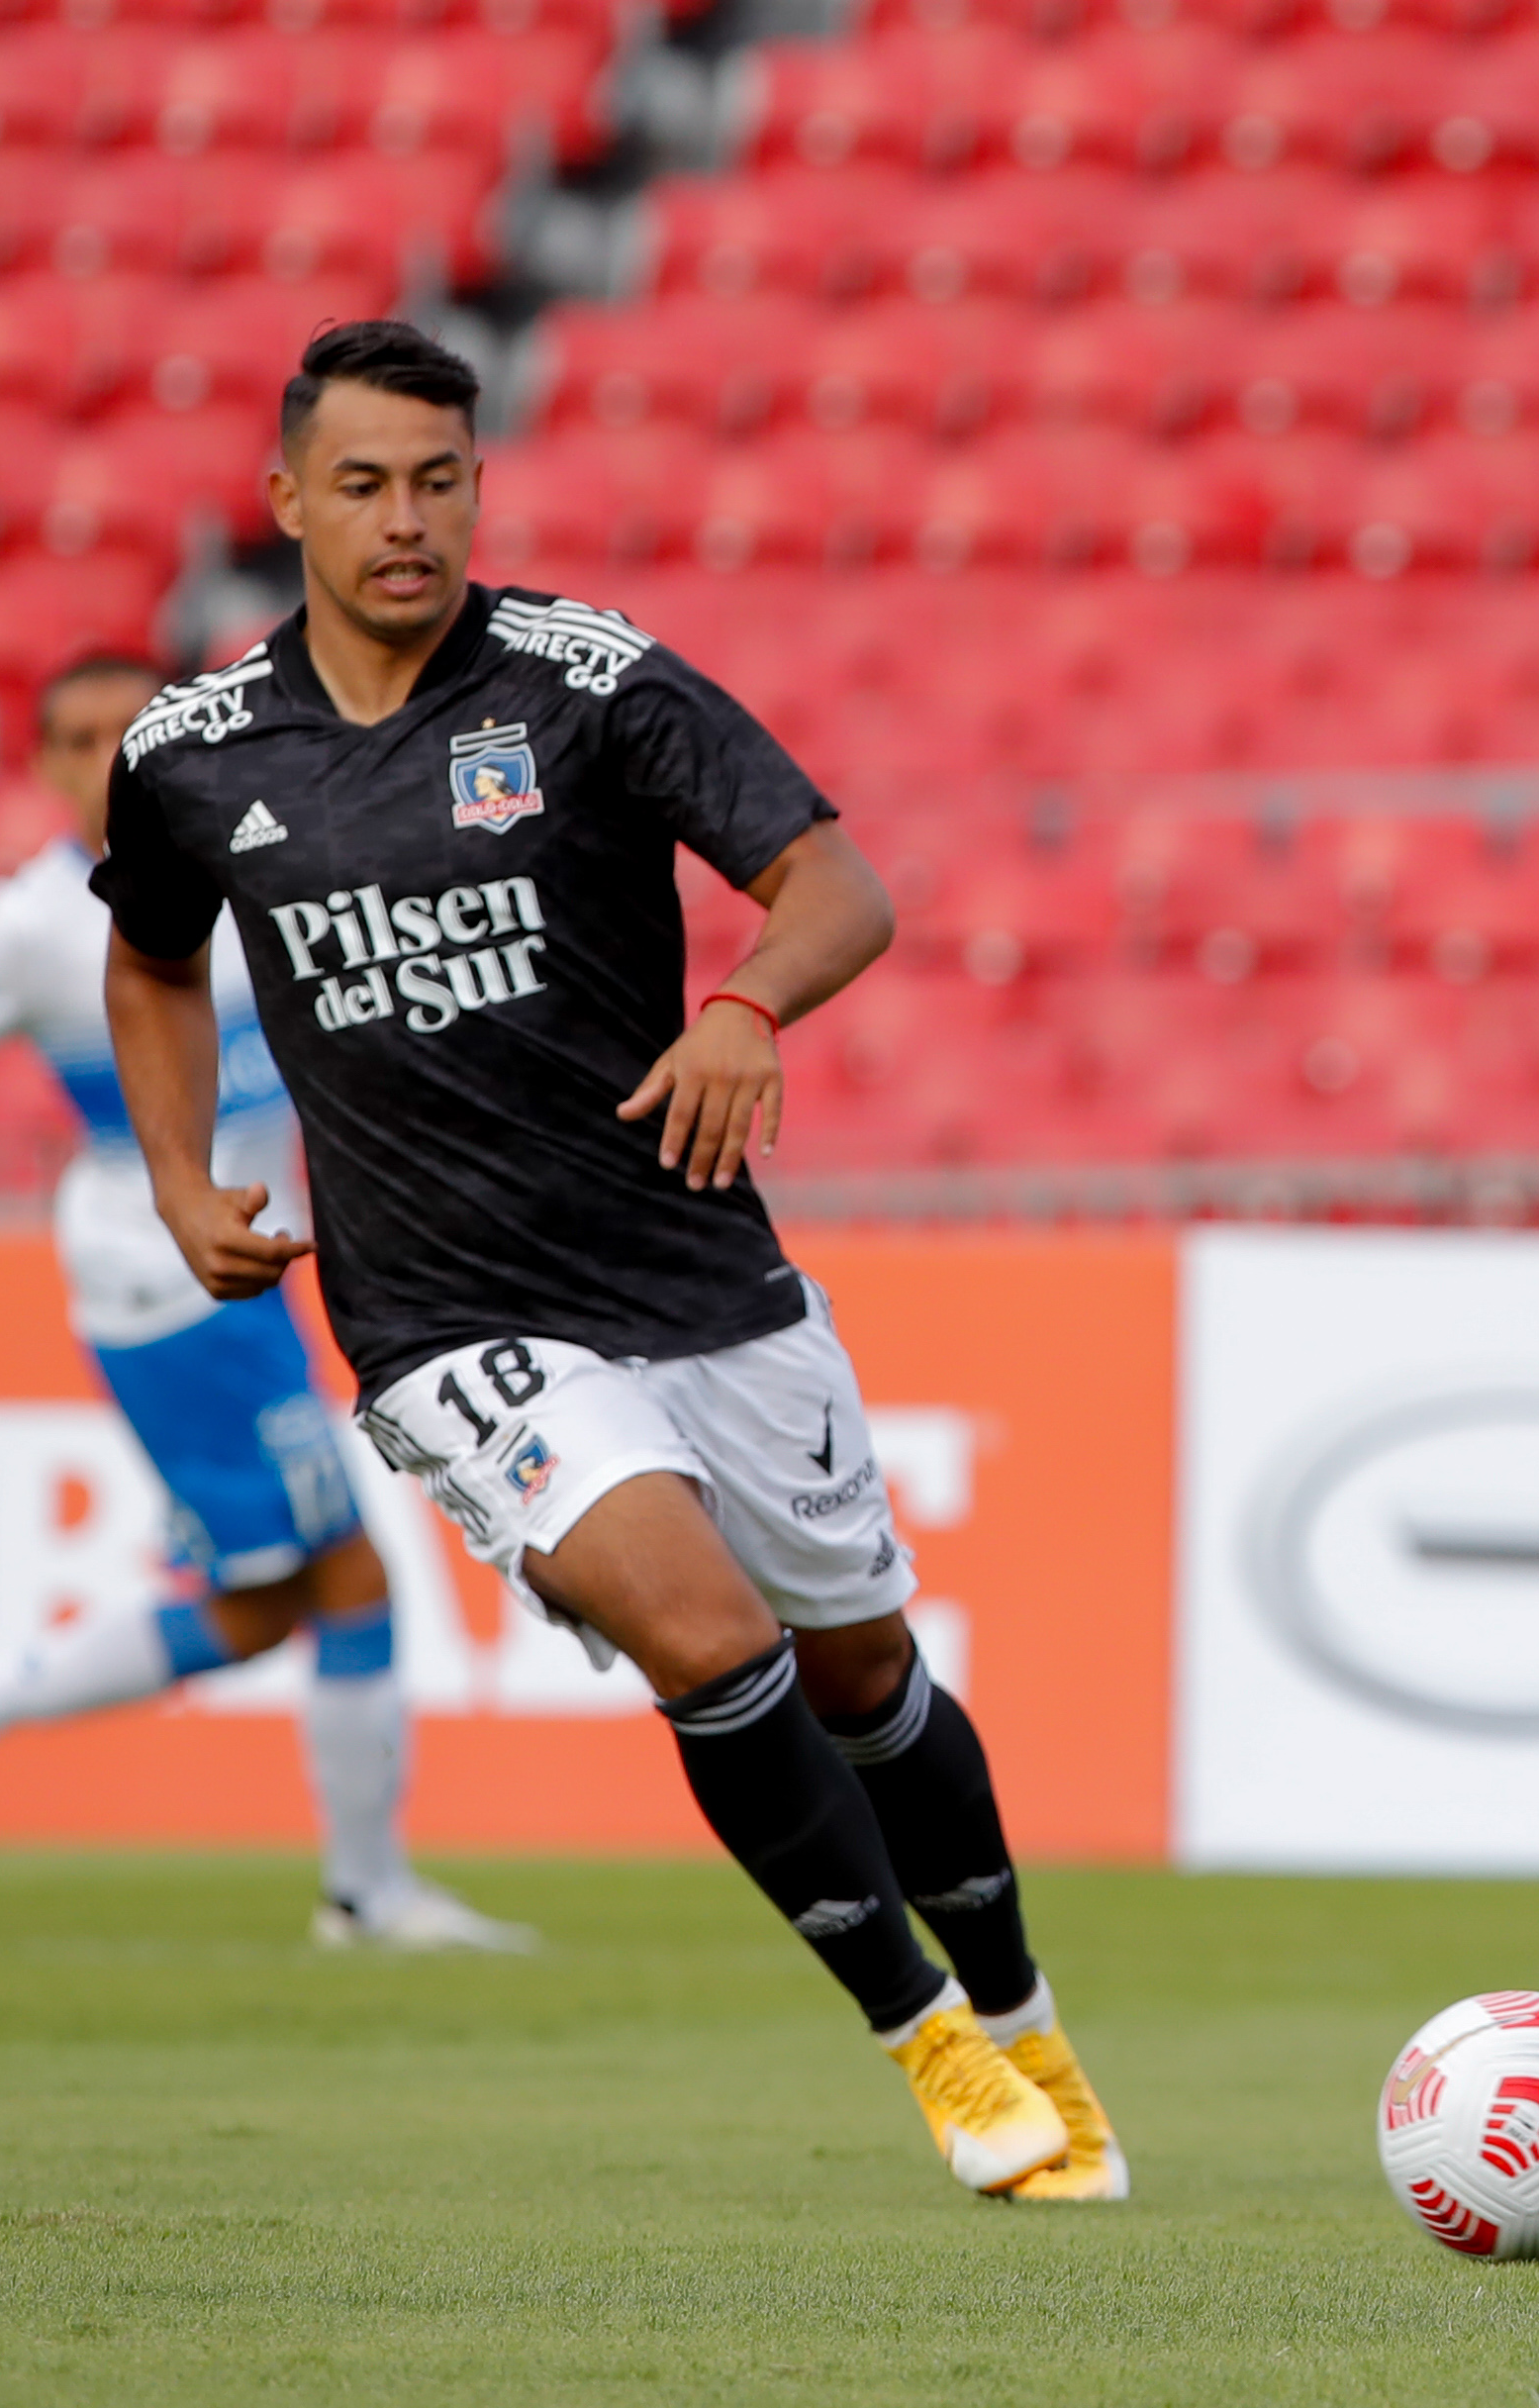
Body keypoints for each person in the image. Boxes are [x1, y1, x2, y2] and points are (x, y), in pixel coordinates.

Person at [89, 319, 1120, 2200]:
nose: (407, 522)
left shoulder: (583, 680)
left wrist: (745, 1007)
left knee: (863, 1666)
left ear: (478, 483)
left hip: (698, 1275)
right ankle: (934, 2048)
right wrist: (177, 1175)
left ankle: (1025, 2004)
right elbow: (152, 956)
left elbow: (838, 884)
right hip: (445, 1317)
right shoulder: (191, 751)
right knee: (704, 1636)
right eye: (365, 484)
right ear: (286, 502)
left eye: (440, 481)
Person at [0, 654, 527, 1953]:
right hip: (166, 1282)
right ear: (38, 764)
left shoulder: (242, 854)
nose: (100, 757)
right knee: (352, 1579)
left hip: (242, 1273)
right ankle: (365, 1895)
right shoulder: (32, 924)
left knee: (264, 1606)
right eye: (72, 737)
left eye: (122, 730)